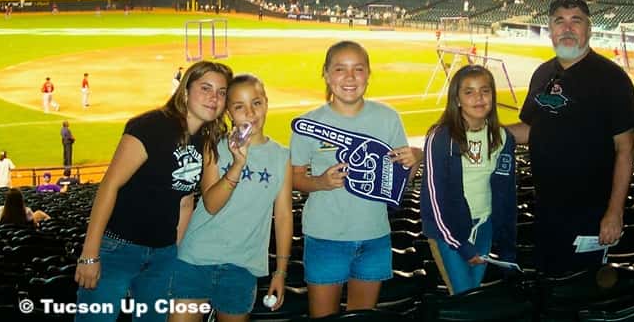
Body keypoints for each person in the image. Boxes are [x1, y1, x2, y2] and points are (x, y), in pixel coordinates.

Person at [75, 60, 233, 322]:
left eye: (221, 92)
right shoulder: (150, 126)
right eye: (205, 88)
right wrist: (90, 254)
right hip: (118, 249)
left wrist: (178, 257)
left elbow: (185, 201)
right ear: (185, 91)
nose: (214, 98)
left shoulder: (205, 139)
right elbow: (110, 185)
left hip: (163, 257)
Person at [507, 0, 634, 275]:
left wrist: (614, 212)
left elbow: (625, 149)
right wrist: (482, 131)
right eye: (560, 21)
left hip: (590, 212)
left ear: (589, 29)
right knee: (547, 281)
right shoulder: (543, 74)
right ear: (550, 29)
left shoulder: (611, 79)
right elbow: (531, 130)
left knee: (580, 289)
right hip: (545, 208)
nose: (567, 28)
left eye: (575, 21)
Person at [290, 41, 421, 318]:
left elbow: (400, 185)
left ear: (368, 74)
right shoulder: (308, 123)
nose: (349, 78)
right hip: (325, 239)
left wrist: (415, 161)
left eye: (358, 69)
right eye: (340, 69)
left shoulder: (388, 118)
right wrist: (320, 183)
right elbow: (295, 178)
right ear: (326, 74)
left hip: (374, 237)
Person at [170, 74, 293, 321]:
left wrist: (280, 271)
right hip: (196, 259)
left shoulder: (282, 157)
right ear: (228, 113)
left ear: (266, 103)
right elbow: (212, 205)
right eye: (239, 107)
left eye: (256, 103)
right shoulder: (213, 146)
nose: (250, 112)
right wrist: (238, 164)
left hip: (242, 267)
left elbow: (283, 216)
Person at [421, 65, 516, 295]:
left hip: (484, 226)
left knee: (472, 295)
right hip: (449, 231)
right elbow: (434, 197)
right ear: (457, 99)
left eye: (485, 91)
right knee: (463, 297)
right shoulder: (441, 137)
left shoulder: (503, 138)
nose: (479, 98)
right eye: (469, 92)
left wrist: (507, 246)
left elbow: (507, 194)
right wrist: (460, 245)